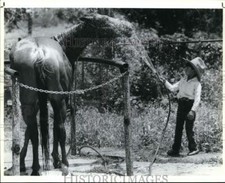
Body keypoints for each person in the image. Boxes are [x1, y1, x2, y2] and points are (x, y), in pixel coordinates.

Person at [159, 57, 206, 156]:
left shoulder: (196, 84)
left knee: (189, 128)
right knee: (178, 127)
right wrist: (164, 82)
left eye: (188, 67)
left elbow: (197, 99)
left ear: (193, 70)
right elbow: (172, 88)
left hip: (190, 105)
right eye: (186, 67)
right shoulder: (183, 80)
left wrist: (192, 111)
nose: (186, 69)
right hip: (181, 104)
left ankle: (193, 148)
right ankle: (175, 149)